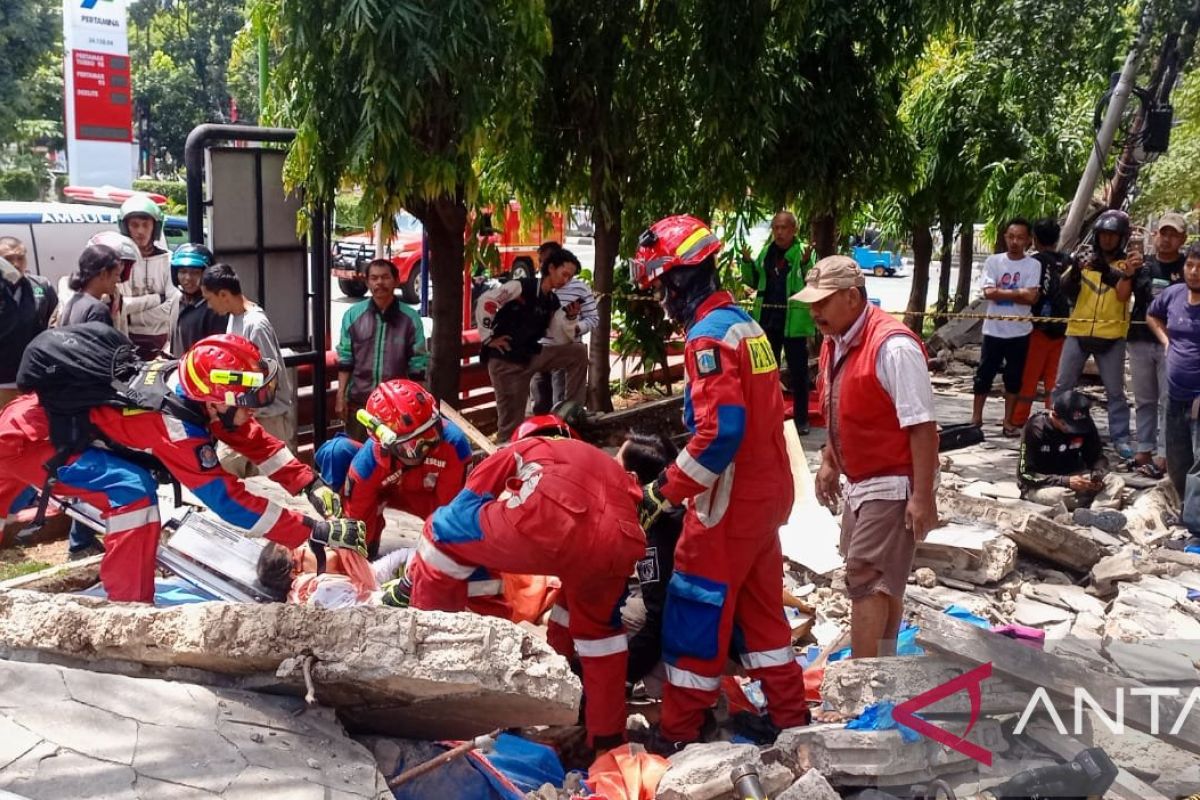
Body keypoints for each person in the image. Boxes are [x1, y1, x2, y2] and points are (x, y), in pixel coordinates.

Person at [0, 332, 363, 603]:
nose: (252, 410)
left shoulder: (190, 389)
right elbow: (229, 502)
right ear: (217, 399)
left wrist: (308, 483)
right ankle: (127, 609)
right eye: (246, 401)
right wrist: (312, 530)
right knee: (131, 491)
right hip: (30, 442)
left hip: (29, 426)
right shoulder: (174, 426)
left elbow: (247, 436)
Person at [631, 214, 808, 751]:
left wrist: (665, 491)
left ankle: (680, 732)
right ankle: (790, 719)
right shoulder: (745, 325)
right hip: (768, 492)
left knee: (694, 608)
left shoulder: (706, 338)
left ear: (680, 277)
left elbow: (720, 430)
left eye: (661, 286)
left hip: (728, 501)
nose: (661, 299)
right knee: (762, 612)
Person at [404, 434, 645, 751]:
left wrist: (422, 579)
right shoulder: (599, 462)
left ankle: (427, 654)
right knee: (601, 638)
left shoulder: (525, 449)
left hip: (551, 518)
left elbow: (467, 501)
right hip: (619, 540)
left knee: (440, 532)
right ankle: (607, 742)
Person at [802, 256, 939, 661]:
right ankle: (882, 667)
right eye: (812, 304)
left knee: (866, 577)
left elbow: (922, 427)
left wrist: (923, 496)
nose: (815, 312)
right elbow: (837, 406)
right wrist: (830, 460)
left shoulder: (893, 347)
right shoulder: (836, 341)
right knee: (884, 579)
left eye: (823, 303)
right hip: (859, 480)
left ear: (851, 296)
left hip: (892, 479)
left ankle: (861, 684)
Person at [313, 379, 471, 559]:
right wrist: (356, 555)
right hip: (385, 490)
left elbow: (451, 510)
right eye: (413, 444)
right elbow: (357, 518)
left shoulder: (454, 443)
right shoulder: (366, 464)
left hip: (427, 498)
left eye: (430, 433)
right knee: (337, 451)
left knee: (454, 538)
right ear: (385, 445)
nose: (425, 447)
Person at [476, 248, 587, 442]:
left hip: (530, 356)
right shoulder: (520, 287)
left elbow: (561, 337)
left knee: (577, 351)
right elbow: (486, 301)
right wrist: (489, 338)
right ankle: (503, 463)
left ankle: (573, 413)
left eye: (570, 278)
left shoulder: (551, 300)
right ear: (551, 268)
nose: (566, 281)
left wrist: (570, 317)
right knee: (511, 427)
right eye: (564, 274)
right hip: (506, 362)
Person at [1052, 210, 1136, 458]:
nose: (1107, 240)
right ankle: (1057, 427)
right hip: (1078, 331)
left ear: (1121, 238)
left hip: (1111, 336)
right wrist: (1076, 270)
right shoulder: (1084, 260)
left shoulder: (1126, 266)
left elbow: (1123, 295)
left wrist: (1106, 271)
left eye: (1112, 236)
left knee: (1115, 392)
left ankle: (1120, 438)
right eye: (1103, 235)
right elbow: (1065, 289)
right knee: (1062, 385)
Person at [201, 264, 296, 459]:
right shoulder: (235, 317)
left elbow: (268, 379)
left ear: (224, 295)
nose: (209, 306)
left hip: (268, 420)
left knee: (271, 483)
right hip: (245, 416)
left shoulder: (255, 325)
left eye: (209, 299)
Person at [739, 210, 818, 435]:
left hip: (793, 323)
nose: (780, 232)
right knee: (765, 372)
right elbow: (753, 280)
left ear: (794, 230)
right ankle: (768, 417)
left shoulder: (804, 252)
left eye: (784, 228)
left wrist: (803, 264)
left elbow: (812, 280)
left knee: (798, 372)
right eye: (776, 228)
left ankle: (801, 420)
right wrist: (746, 262)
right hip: (767, 320)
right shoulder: (766, 252)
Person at [617, 431, 684, 686]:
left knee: (616, 612)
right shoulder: (671, 506)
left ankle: (666, 694)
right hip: (716, 625)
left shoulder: (657, 529)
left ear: (631, 478)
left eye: (615, 465)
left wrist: (620, 675)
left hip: (699, 639)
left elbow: (659, 621)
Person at [336, 259, 428, 442]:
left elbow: (418, 366)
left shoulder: (410, 319)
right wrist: (340, 397)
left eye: (385, 277)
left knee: (392, 461)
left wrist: (419, 405)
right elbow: (345, 360)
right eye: (374, 278)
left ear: (396, 280)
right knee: (357, 458)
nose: (379, 283)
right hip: (359, 405)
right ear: (367, 282)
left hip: (397, 407)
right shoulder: (353, 315)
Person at [1125, 213, 1188, 477]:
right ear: (1155, 235)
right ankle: (1144, 448)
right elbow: (1122, 295)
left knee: (1168, 400)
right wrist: (1127, 273)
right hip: (1139, 339)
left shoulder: (1189, 267)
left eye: (1173, 234)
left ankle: (1164, 453)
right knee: (1144, 399)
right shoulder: (1143, 265)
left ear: (1182, 238)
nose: (1166, 239)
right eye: (1163, 233)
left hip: (1173, 342)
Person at [1147, 241, 1200, 539]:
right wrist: (1166, 341)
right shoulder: (1174, 294)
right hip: (1175, 393)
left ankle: (1196, 527)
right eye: (1190, 265)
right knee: (1178, 460)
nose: (1194, 272)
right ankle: (1185, 513)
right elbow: (1152, 314)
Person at [1017, 390, 1127, 532]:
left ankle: (1099, 514)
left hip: (1077, 478)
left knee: (1114, 480)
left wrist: (1097, 474)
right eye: (1067, 426)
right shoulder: (1035, 428)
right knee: (1058, 496)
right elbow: (1024, 474)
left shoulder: (1084, 425)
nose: (1074, 431)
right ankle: (1093, 506)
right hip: (1045, 484)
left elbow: (1097, 457)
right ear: (1055, 416)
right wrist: (1065, 481)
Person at [971, 218, 1040, 435]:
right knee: (984, 375)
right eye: (1011, 237)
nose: (1015, 242)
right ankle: (976, 419)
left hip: (1020, 332)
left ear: (1028, 240)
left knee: (1013, 378)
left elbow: (1031, 298)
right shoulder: (994, 261)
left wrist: (1006, 293)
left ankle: (1007, 421)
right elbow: (989, 293)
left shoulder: (1033, 265)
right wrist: (1019, 292)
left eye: (1020, 237)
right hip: (993, 330)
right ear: (1005, 238)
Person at [1012, 218, 1071, 427]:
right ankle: (1054, 420)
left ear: (1034, 239)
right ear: (1057, 239)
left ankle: (1018, 419)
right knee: (1054, 380)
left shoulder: (1032, 262)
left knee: (1028, 377)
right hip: (1064, 327)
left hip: (1037, 328)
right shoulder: (1068, 262)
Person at [530, 242, 600, 415]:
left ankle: (562, 439)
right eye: (540, 262)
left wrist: (574, 328)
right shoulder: (535, 287)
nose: (542, 267)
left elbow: (593, 318)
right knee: (539, 406)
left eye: (546, 262)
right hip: (538, 353)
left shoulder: (579, 288)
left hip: (563, 354)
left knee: (560, 408)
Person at [0, 236, 56, 410]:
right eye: (9, 259)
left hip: (34, 377)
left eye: (20, 257)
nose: (16, 264)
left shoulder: (41, 286)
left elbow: (53, 326)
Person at [117, 194, 175, 358]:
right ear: (125, 227)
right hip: (127, 341)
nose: (140, 231)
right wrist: (158, 299)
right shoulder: (120, 262)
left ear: (154, 227)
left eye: (145, 225)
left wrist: (131, 313)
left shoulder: (168, 260)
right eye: (134, 225)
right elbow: (119, 305)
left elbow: (172, 307)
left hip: (164, 342)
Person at [166, 243, 226, 356]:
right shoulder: (176, 301)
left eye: (195, 273)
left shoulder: (213, 309)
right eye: (183, 272)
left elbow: (217, 353)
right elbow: (172, 342)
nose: (188, 278)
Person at [60, 245, 125, 327]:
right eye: (116, 275)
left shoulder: (72, 302)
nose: (119, 280)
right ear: (103, 274)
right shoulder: (98, 310)